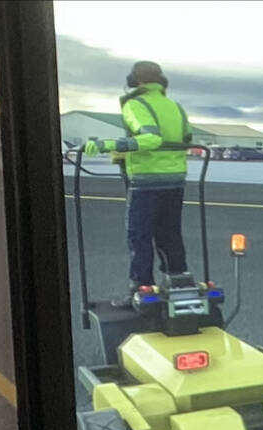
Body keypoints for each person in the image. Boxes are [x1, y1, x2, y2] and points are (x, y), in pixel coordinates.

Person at [115, 60, 192, 296]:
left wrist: (115, 146)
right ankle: (178, 281)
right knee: (170, 233)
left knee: (139, 235)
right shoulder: (176, 107)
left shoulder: (135, 104)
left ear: (135, 80)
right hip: (175, 180)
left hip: (146, 179)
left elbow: (150, 138)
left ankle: (141, 286)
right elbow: (187, 138)